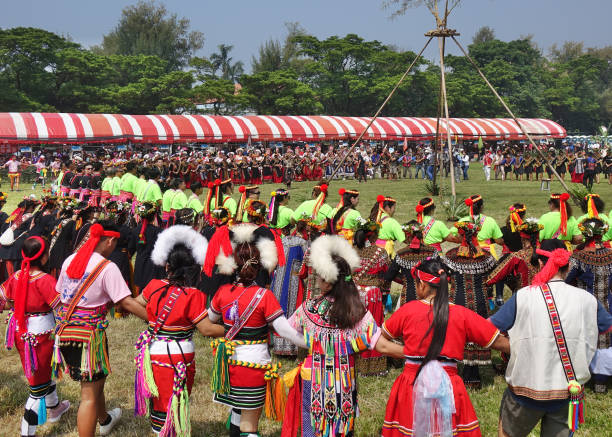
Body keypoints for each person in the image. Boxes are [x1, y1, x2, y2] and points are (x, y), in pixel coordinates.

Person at [283, 235, 403, 437]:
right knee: (341, 429)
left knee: (313, 428)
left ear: (328, 282)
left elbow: (286, 330)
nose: (318, 281)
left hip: (313, 380)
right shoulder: (356, 311)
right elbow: (380, 345)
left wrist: (312, 341)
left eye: (320, 277)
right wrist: (413, 352)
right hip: (344, 384)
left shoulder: (309, 308)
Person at [491, 239, 612, 437]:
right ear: (567, 266)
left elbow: (490, 329)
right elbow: (606, 327)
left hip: (526, 391)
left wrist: (515, 346)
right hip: (567, 393)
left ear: (540, 264)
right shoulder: (588, 300)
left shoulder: (524, 296)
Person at [381, 258, 509, 437]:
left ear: (423, 286)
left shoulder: (407, 311)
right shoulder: (463, 314)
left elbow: (380, 343)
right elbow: (502, 343)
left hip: (412, 383)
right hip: (449, 385)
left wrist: (411, 354)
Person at [208, 225, 307, 437]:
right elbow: (285, 330)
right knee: (249, 425)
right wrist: (310, 343)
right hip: (253, 366)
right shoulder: (264, 296)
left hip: (228, 365)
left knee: (236, 413)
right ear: (259, 264)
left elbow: (210, 319)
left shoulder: (223, 293)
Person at [53, 220, 148, 436]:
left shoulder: (70, 260)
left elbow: (60, 294)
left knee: (96, 382)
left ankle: (104, 419)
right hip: (89, 337)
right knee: (88, 397)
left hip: (65, 333)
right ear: (111, 240)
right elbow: (128, 303)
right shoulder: (107, 267)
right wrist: (159, 321)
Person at [133, 225, 224, 435]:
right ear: (193, 270)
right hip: (179, 356)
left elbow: (137, 303)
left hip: (153, 354)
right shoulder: (193, 295)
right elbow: (207, 329)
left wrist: (156, 321)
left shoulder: (154, 286)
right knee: (175, 404)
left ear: (167, 267)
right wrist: (230, 330)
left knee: (159, 404)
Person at [1, 237, 71, 436]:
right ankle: (27, 433)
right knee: (36, 388)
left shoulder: (16, 276)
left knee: (40, 373)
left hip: (20, 332)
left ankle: (55, 408)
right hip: (41, 336)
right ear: (43, 257)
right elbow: (60, 307)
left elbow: (3, 298)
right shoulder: (45, 280)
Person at [442, 221, 497, 388]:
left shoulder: (451, 255)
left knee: (459, 334)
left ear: (460, 235)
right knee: (476, 334)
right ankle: (473, 375)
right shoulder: (486, 257)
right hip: (480, 300)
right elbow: (492, 278)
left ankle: (459, 372)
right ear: (476, 235)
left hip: (458, 300)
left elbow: (444, 277)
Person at [566, 218, 612, 393]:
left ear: (584, 234)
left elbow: (567, 280)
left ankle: (580, 381)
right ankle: (601, 383)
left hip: (584, 307)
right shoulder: (611, 255)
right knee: (605, 344)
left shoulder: (579, 257)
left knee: (583, 341)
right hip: (608, 306)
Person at [352, 218, 391, 375]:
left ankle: (355, 362)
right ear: (373, 236)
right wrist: (385, 291)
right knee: (372, 329)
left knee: (355, 327)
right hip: (373, 295)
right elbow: (386, 275)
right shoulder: (380, 253)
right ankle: (374, 367)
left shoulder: (352, 251)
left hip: (355, 293)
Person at [385, 221, 438, 307]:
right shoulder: (432, 252)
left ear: (408, 235)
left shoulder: (401, 253)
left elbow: (389, 276)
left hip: (408, 296)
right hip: (429, 297)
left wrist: (404, 278)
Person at [458, 194, 504, 259]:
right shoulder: (490, 221)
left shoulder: (462, 221)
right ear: (481, 207)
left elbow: (459, 238)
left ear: (469, 207)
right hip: (486, 254)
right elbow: (499, 241)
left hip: (467, 254)